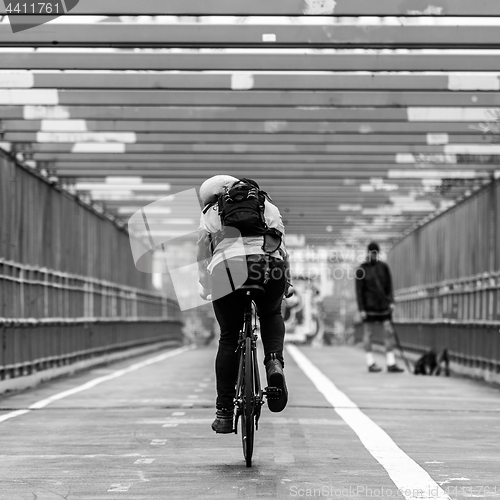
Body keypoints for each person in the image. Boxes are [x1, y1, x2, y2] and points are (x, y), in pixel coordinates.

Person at [197, 175, 292, 433]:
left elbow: (203, 253)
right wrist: (287, 283)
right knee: (271, 312)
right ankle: (274, 362)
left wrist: (206, 286)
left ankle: (225, 413)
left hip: (226, 270)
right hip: (268, 267)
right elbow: (281, 246)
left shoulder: (211, 212)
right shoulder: (266, 205)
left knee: (229, 337)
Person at [355, 241, 404, 373]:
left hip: (383, 306)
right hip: (369, 308)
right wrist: (362, 309)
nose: (374, 255)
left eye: (376, 253)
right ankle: (370, 363)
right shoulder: (361, 269)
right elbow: (359, 291)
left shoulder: (384, 267)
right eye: (372, 253)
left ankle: (391, 362)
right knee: (368, 335)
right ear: (368, 253)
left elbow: (389, 286)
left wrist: (391, 302)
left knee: (389, 332)